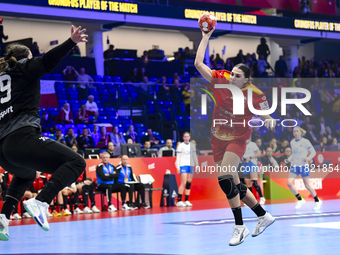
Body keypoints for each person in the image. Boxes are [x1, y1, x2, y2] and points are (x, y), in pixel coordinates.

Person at [0, 25, 87, 241]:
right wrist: (72, 42)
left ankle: (3, 217)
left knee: (26, 173)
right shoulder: (24, 68)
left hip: (3, 150)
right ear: (24, 58)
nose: (34, 60)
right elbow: (48, 60)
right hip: (21, 138)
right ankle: (41, 202)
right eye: (31, 57)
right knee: (77, 163)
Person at [194, 27, 275, 246]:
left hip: (237, 139)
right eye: (232, 73)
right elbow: (198, 64)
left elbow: (264, 110)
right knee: (237, 187)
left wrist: (268, 118)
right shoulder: (222, 79)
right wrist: (205, 37)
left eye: (238, 77)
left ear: (247, 81)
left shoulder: (254, 94)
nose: (232, 78)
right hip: (217, 138)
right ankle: (263, 215)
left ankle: (239, 227)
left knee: (225, 179)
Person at [286, 126, 321, 210]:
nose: (295, 133)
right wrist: (289, 159)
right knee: (289, 183)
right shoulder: (292, 142)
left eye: (297, 131)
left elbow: (313, 152)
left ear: (301, 133)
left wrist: (308, 158)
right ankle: (300, 199)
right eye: (294, 131)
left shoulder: (305, 141)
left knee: (307, 185)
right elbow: (294, 154)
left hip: (304, 166)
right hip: (295, 165)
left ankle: (317, 201)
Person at [175, 132, 198, 207]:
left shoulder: (192, 146)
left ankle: (186, 200)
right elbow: (178, 157)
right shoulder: (180, 146)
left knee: (188, 183)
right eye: (185, 136)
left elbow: (194, 156)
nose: (186, 138)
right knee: (183, 183)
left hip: (190, 165)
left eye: (187, 136)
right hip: (183, 165)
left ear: (189, 137)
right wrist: (178, 166)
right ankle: (179, 201)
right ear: (183, 138)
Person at [241, 138, 265, 205]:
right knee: (248, 184)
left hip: (252, 163)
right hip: (245, 165)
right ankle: (250, 201)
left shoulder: (252, 144)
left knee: (254, 182)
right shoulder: (241, 145)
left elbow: (258, 153)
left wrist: (250, 157)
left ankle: (262, 197)